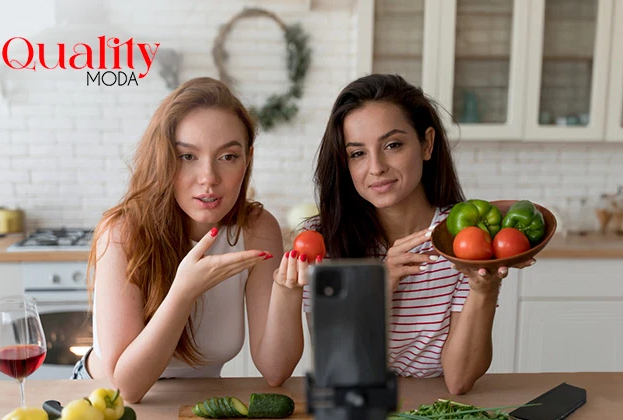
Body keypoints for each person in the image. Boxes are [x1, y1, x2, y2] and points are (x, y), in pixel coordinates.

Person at [71, 77, 308, 403]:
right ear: (163, 158)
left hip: (197, 401)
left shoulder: (257, 229)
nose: (209, 178)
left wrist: (287, 291)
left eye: (228, 157)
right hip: (103, 401)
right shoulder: (123, 233)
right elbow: (127, 389)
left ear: (247, 159)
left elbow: (275, 370)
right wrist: (183, 292)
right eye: (187, 156)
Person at [301, 74, 533, 395]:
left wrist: (483, 291)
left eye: (392, 145)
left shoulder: (463, 237)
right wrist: (379, 285)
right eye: (358, 153)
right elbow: (341, 370)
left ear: (426, 144)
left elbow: (459, 380)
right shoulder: (320, 241)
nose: (376, 167)